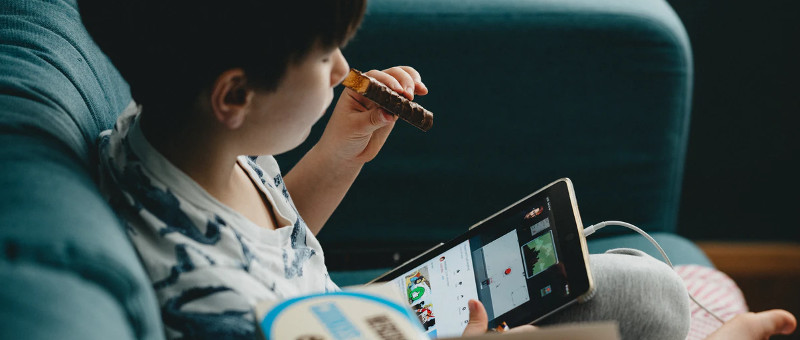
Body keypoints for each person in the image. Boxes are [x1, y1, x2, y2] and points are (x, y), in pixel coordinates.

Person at [79, 0, 795, 339]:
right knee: (657, 308)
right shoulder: (213, 308)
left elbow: (272, 240)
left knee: (639, 288)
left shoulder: (175, 146)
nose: (341, 70)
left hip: (360, 318)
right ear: (235, 94)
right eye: (327, 55)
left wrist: (337, 152)